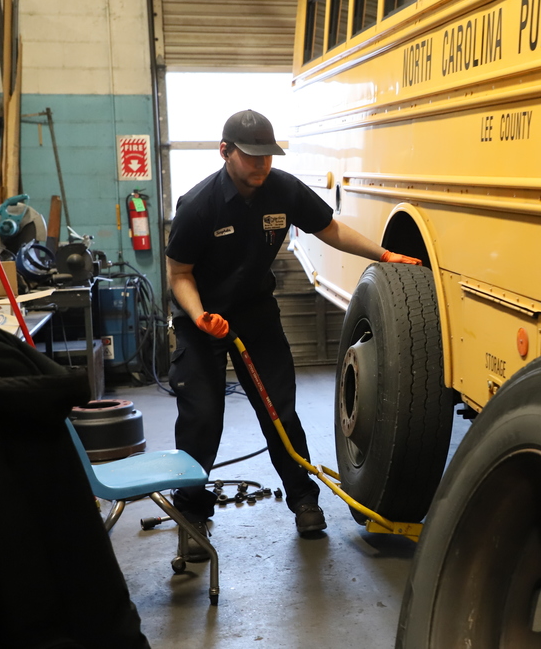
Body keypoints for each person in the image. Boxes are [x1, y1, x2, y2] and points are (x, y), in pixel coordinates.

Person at [165, 109, 421, 559]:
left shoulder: (281, 189)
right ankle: (191, 515)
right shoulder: (199, 205)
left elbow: (330, 229)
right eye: (251, 156)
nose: (261, 165)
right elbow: (178, 273)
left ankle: (304, 501)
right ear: (225, 152)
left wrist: (384, 254)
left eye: (267, 155)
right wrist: (202, 314)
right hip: (200, 321)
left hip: (255, 316)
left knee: (280, 413)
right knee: (202, 419)